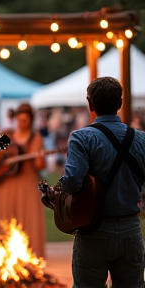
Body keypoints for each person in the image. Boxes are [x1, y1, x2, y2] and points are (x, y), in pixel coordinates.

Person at [57, 77, 145, 287]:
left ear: (90, 104)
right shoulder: (141, 139)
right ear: (120, 104)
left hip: (94, 230)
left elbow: (71, 184)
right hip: (131, 228)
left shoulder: (82, 138)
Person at [0, 103, 47, 258]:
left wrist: (40, 158)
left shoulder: (36, 137)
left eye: (25, 121)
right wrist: (0, 161)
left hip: (26, 181)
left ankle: (27, 252)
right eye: (19, 120)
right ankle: (3, 251)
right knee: (4, 216)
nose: (22, 124)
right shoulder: (7, 133)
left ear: (31, 121)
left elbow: (40, 165)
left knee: (27, 215)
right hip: (5, 182)